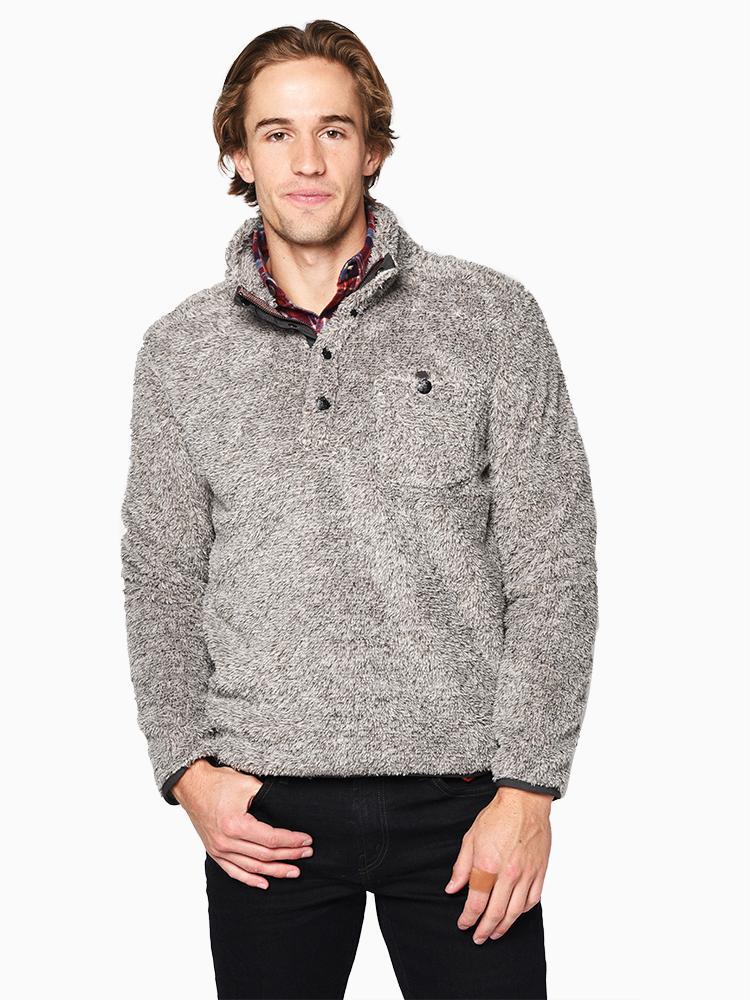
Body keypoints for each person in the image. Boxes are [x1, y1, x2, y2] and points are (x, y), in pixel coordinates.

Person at [119, 18, 599, 1000]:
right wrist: (188, 772)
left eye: (333, 131)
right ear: (239, 155)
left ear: (373, 149)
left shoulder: (490, 318)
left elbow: (553, 562)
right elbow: (160, 573)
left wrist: (529, 788)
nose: (306, 160)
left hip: (466, 806)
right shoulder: (180, 351)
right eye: (277, 133)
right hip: (265, 810)